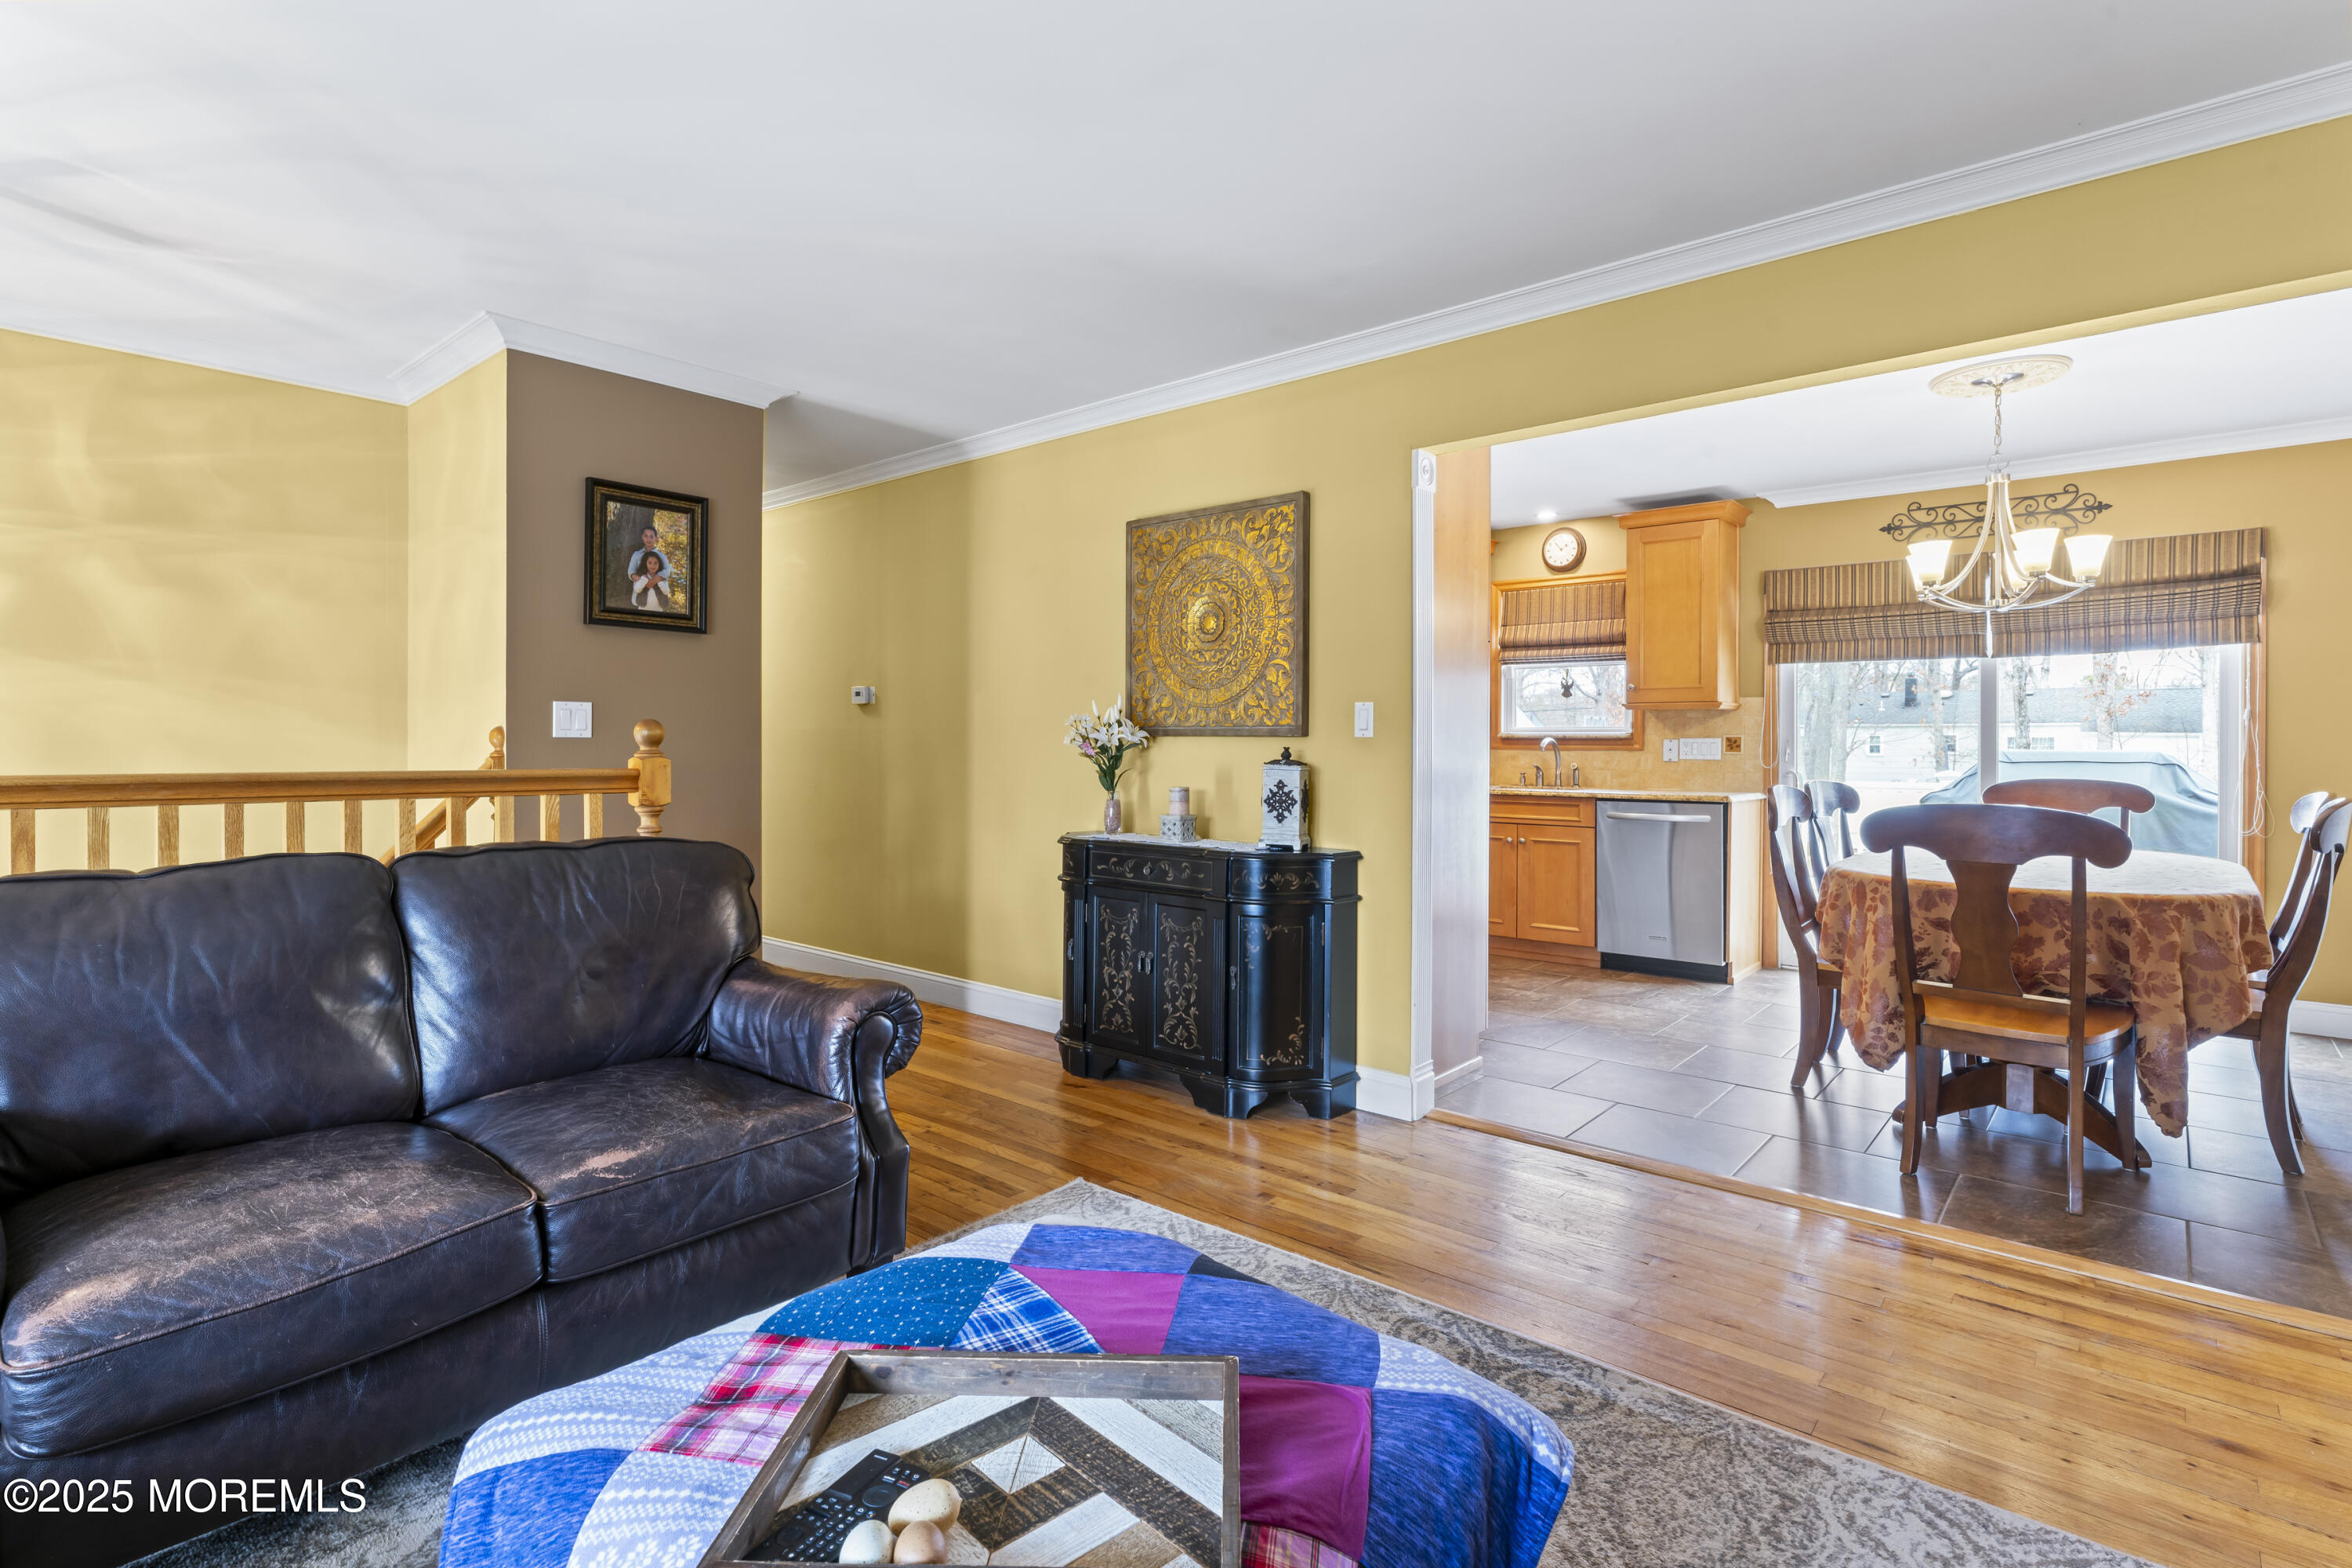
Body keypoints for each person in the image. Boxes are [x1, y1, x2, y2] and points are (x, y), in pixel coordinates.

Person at [624, 523, 673, 609]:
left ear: (656, 539)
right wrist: (644, 581)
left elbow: (667, 572)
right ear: (642, 537)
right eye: (646, 536)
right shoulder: (637, 555)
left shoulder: (662, 556)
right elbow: (631, 572)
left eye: (651, 536)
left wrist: (654, 581)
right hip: (641, 596)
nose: (648, 539)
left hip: (658, 600)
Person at [630, 546, 670, 611]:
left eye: (655, 563)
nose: (652, 566)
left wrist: (659, 582)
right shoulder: (642, 576)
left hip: (658, 610)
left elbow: (667, 592)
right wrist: (643, 580)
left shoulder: (661, 577)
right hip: (643, 609)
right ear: (645, 563)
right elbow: (637, 589)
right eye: (650, 563)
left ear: (659, 564)